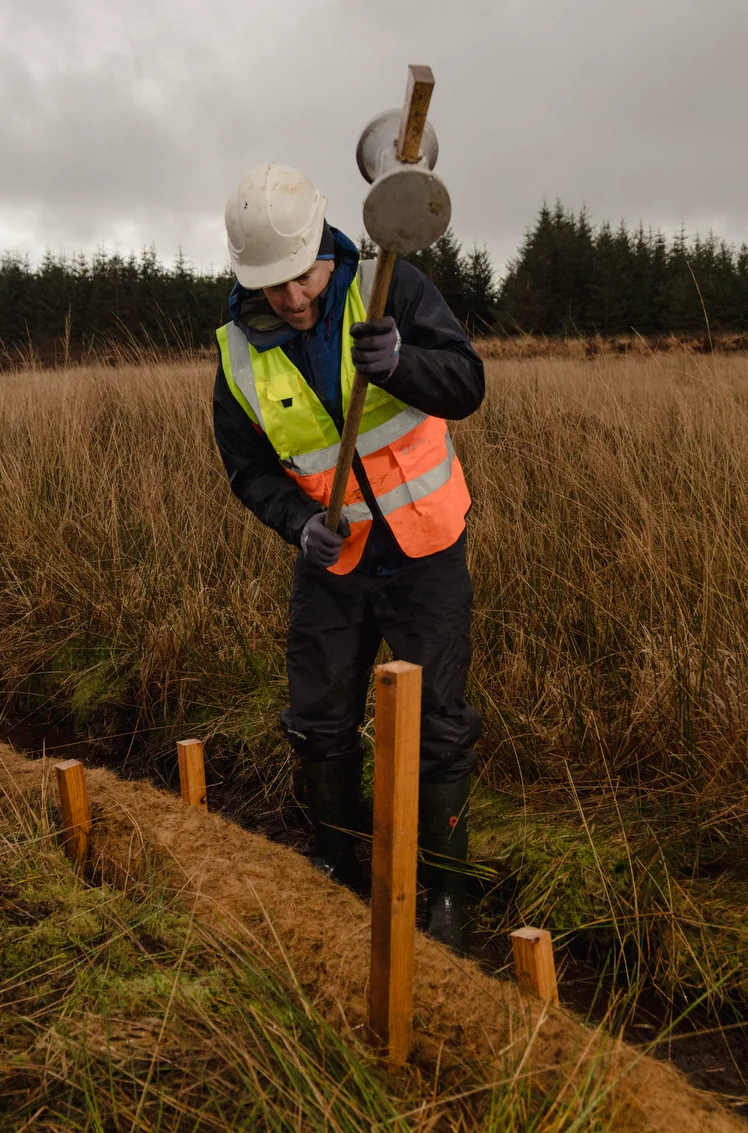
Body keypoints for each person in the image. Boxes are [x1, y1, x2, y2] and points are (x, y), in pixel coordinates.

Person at [212, 163, 485, 950]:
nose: (294, 300)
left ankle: (448, 893)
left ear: (323, 245)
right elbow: (247, 468)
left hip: (426, 549)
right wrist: (298, 523)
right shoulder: (236, 355)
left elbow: (467, 383)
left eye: (303, 277)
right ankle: (334, 866)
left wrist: (403, 363)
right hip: (334, 563)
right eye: (274, 288)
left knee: (438, 723)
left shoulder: (391, 286)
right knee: (318, 718)